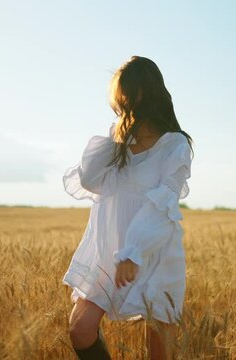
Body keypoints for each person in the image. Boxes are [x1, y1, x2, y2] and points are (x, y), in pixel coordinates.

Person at [62, 55, 194, 360]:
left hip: (153, 251)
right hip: (109, 251)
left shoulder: (175, 145)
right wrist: (115, 136)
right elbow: (89, 178)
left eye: (121, 95)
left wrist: (134, 251)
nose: (116, 104)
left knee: (158, 353)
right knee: (80, 328)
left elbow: (163, 205)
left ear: (141, 94)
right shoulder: (118, 143)